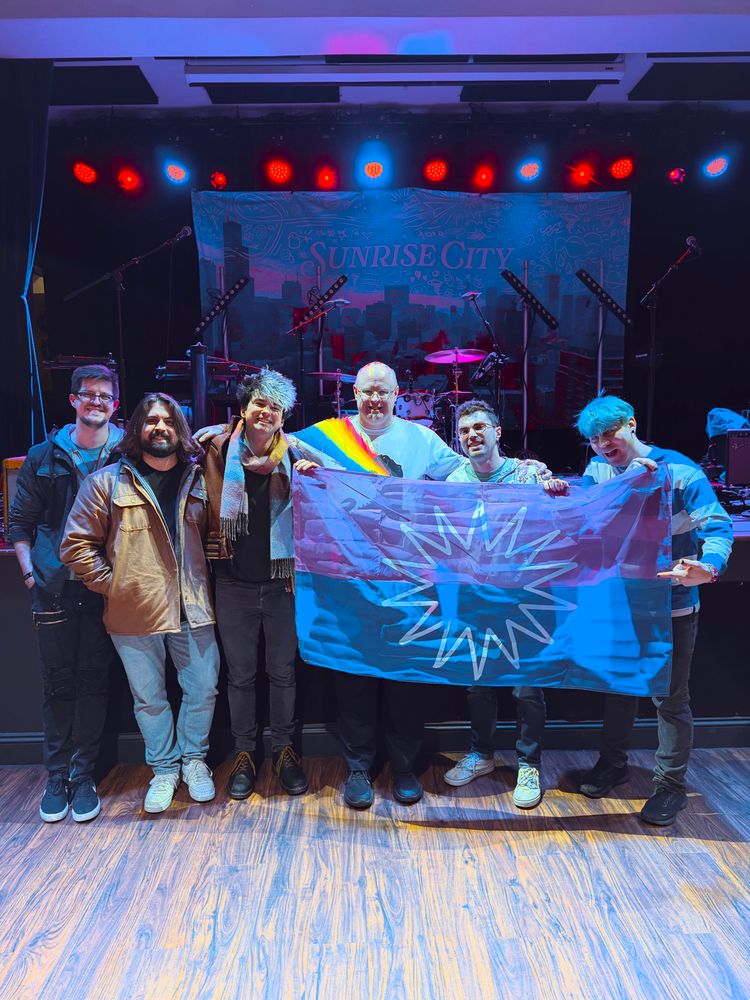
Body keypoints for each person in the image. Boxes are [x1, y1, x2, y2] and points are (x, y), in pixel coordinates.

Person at [575, 394, 733, 826]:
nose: (604, 444)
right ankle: (613, 763)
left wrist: (709, 567)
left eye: (609, 433)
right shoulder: (599, 470)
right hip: (620, 600)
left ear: (630, 424)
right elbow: (580, 513)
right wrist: (558, 489)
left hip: (672, 604)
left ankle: (670, 787)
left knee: (670, 697)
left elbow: (717, 527)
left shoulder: (680, 470)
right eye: (594, 439)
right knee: (620, 686)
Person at [60, 393, 221, 815]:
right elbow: (75, 545)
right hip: (134, 612)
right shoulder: (107, 482)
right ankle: (164, 769)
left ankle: (194, 762)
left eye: (168, 420)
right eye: (151, 421)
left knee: (203, 688)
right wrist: (116, 586)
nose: (160, 427)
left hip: (193, 606)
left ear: (179, 429)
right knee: (149, 699)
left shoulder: (199, 478)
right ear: (137, 430)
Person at [203, 369, 332, 801]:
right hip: (233, 585)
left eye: (275, 407)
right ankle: (244, 754)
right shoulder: (217, 449)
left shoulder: (296, 455)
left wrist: (316, 475)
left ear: (283, 416)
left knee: (282, 674)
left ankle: (283, 751)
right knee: (240, 677)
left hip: (283, 586)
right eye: (260, 403)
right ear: (244, 408)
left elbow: (342, 477)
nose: (266, 412)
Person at [8, 364, 123, 824]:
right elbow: (20, 523)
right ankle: (57, 776)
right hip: (54, 588)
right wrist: (30, 573)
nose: (96, 402)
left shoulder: (126, 453)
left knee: (94, 681)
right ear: (73, 400)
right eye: (88, 395)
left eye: (105, 396)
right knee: (58, 684)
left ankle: (84, 775)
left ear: (115, 404)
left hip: (104, 588)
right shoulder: (43, 455)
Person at [443, 400, 568, 808]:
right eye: (463, 431)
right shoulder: (452, 480)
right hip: (474, 594)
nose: (471, 436)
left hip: (524, 594)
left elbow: (562, 516)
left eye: (479, 427)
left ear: (498, 432)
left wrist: (555, 493)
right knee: (477, 681)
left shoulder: (530, 473)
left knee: (526, 685)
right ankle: (482, 754)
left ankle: (529, 763)